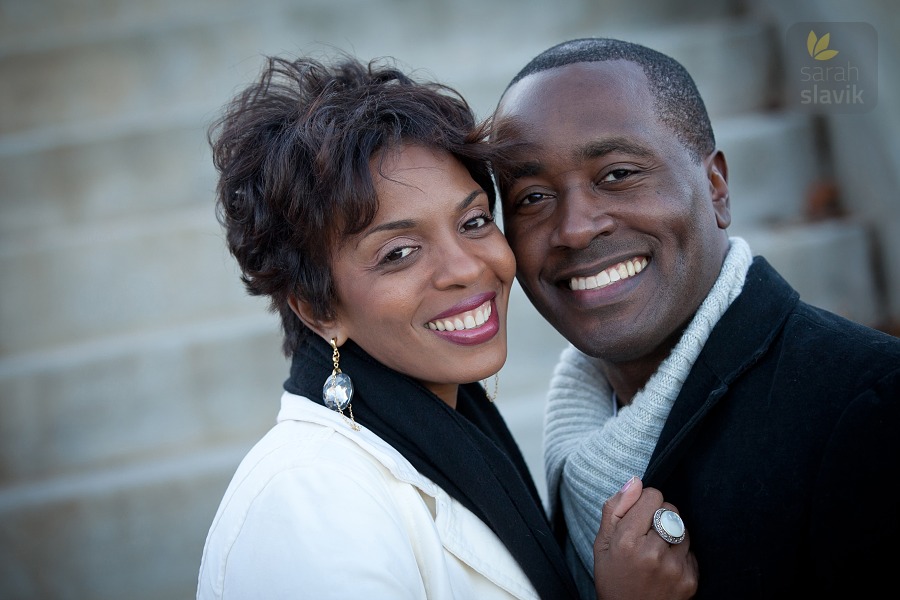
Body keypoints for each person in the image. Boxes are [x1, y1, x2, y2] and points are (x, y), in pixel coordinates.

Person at [195, 50, 698, 600]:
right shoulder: (308, 502)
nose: (466, 268)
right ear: (319, 309)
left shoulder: (455, 432)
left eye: (475, 220)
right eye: (400, 252)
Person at [490, 36, 900, 599]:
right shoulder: (574, 442)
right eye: (532, 197)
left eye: (617, 174)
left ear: (716, 188)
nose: (575, 228)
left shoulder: (870, 405)